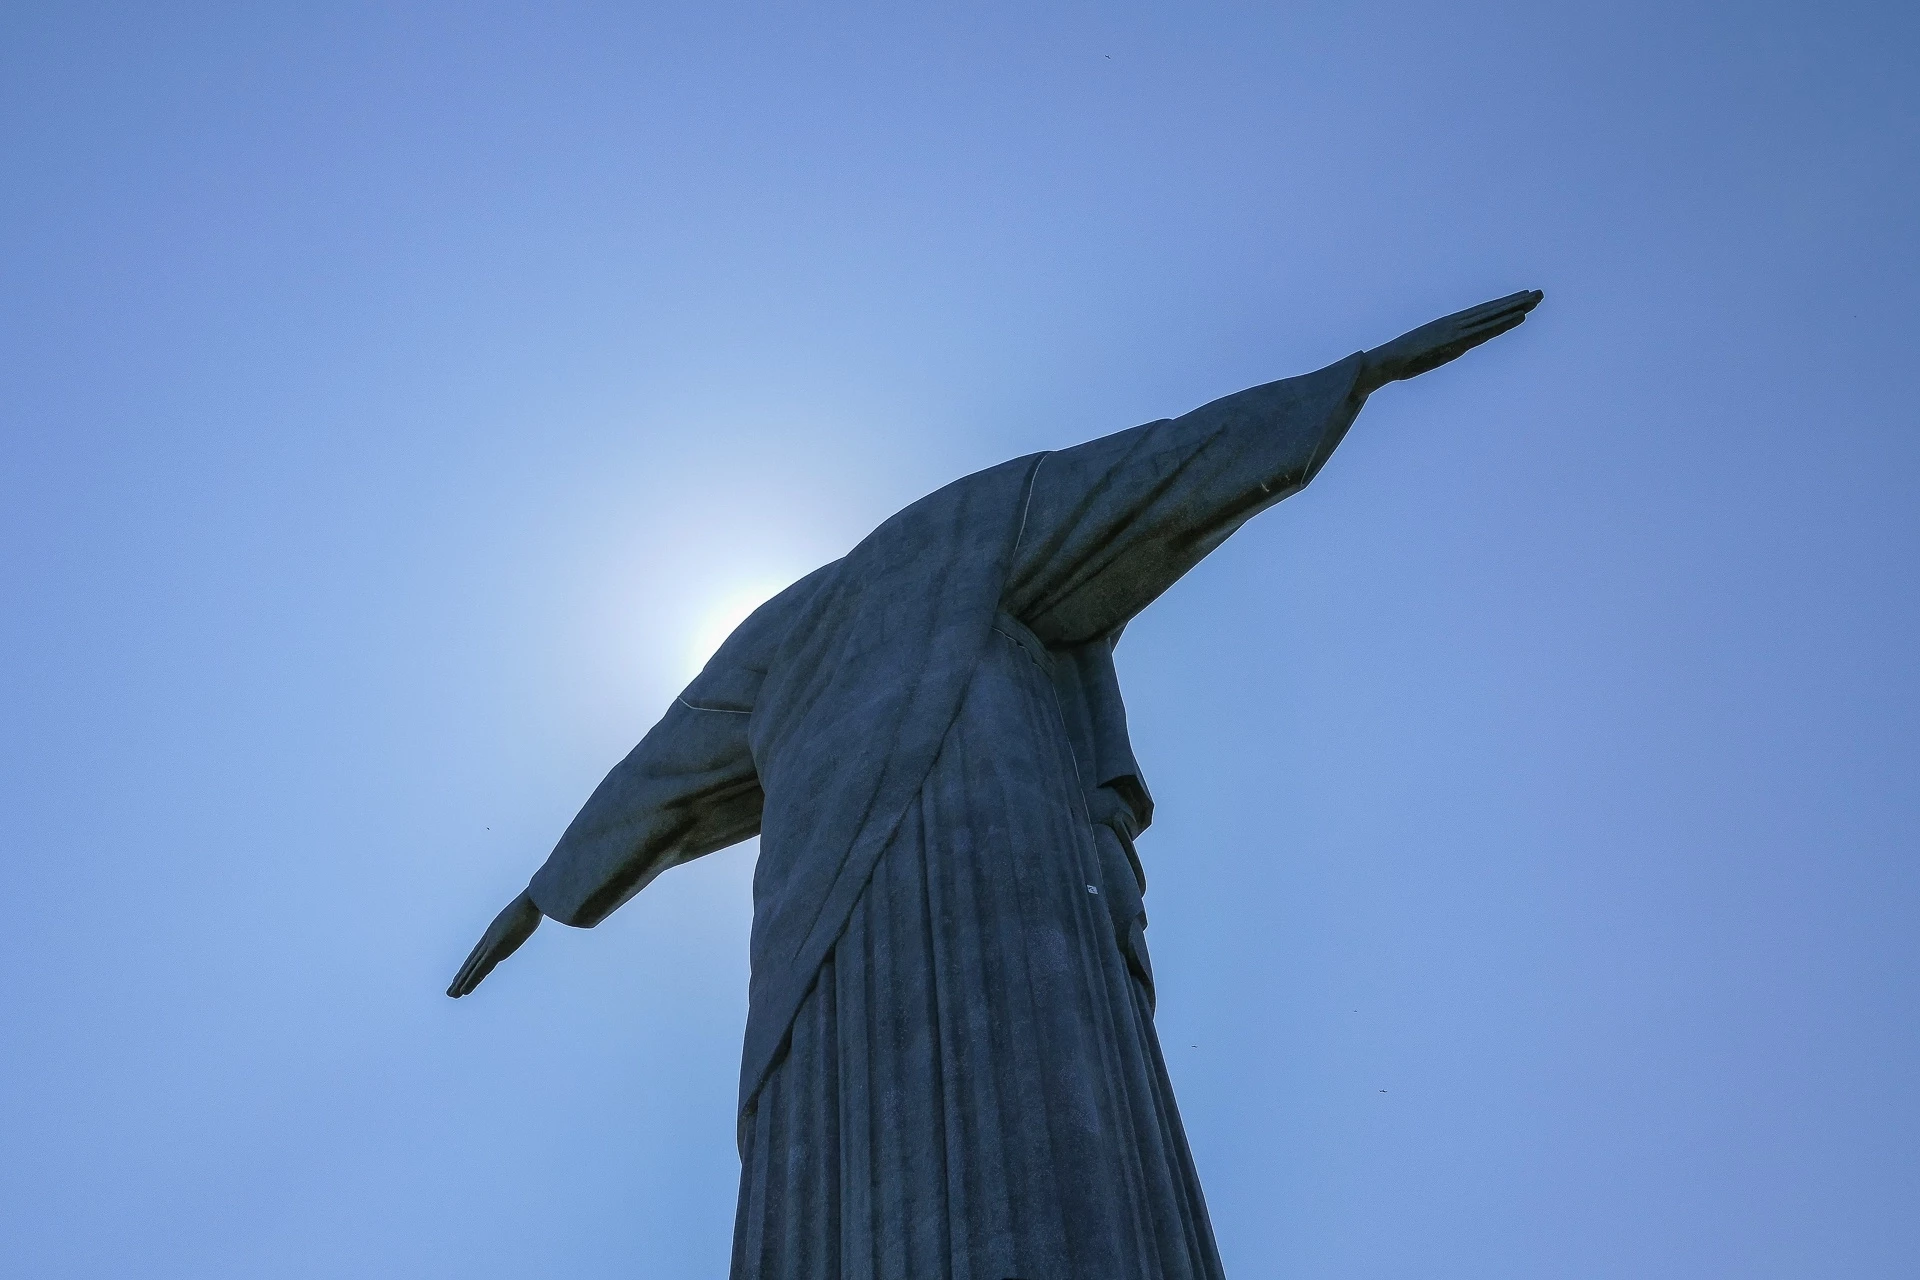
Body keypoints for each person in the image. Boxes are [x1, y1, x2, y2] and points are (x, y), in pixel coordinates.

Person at [449, 290, 1544, 1279]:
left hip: (953, 878)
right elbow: (1160, 473)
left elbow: (659, 771)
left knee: (998, 1121)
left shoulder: (810, 614)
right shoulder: (973, 531)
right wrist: (1352, 378)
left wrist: (543, 894)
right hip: (898, 898)